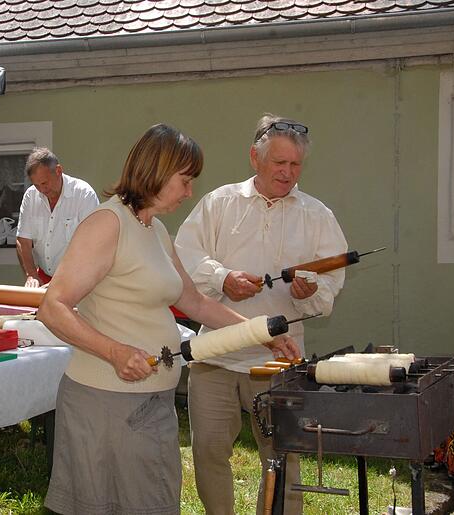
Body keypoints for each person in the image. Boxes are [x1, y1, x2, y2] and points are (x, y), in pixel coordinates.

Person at [37, 123, 300, 515]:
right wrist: (113, 352)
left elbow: (193, 302)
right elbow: (53, 306)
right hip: (106, 404)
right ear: (156, 171)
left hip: (150, 401)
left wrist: (262, 334)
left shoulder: (155, 230)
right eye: (185, 180)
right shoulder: (107, 224)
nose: (190, 191)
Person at [174, 114, 348, 515]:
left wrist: (308, 293)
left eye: (295, 165)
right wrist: (223, 278)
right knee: (209, 452)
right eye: (278, 163)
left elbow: (329, 287)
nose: (287, 173)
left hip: (278, 360)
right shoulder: (220, 203)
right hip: (217, 354)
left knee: (283, 456)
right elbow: (183, 258)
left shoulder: (316, 215)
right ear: (255, 157)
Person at [16, 147, 98, 287]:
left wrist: (63, 282)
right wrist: (31, 275)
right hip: (43, 276)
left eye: (44, 183)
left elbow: (93, 246)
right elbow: (23, 241)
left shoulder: (84, 194)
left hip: (78, 280)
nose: (42, 190)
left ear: (58, 171)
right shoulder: (30, 196)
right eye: (36, 185)